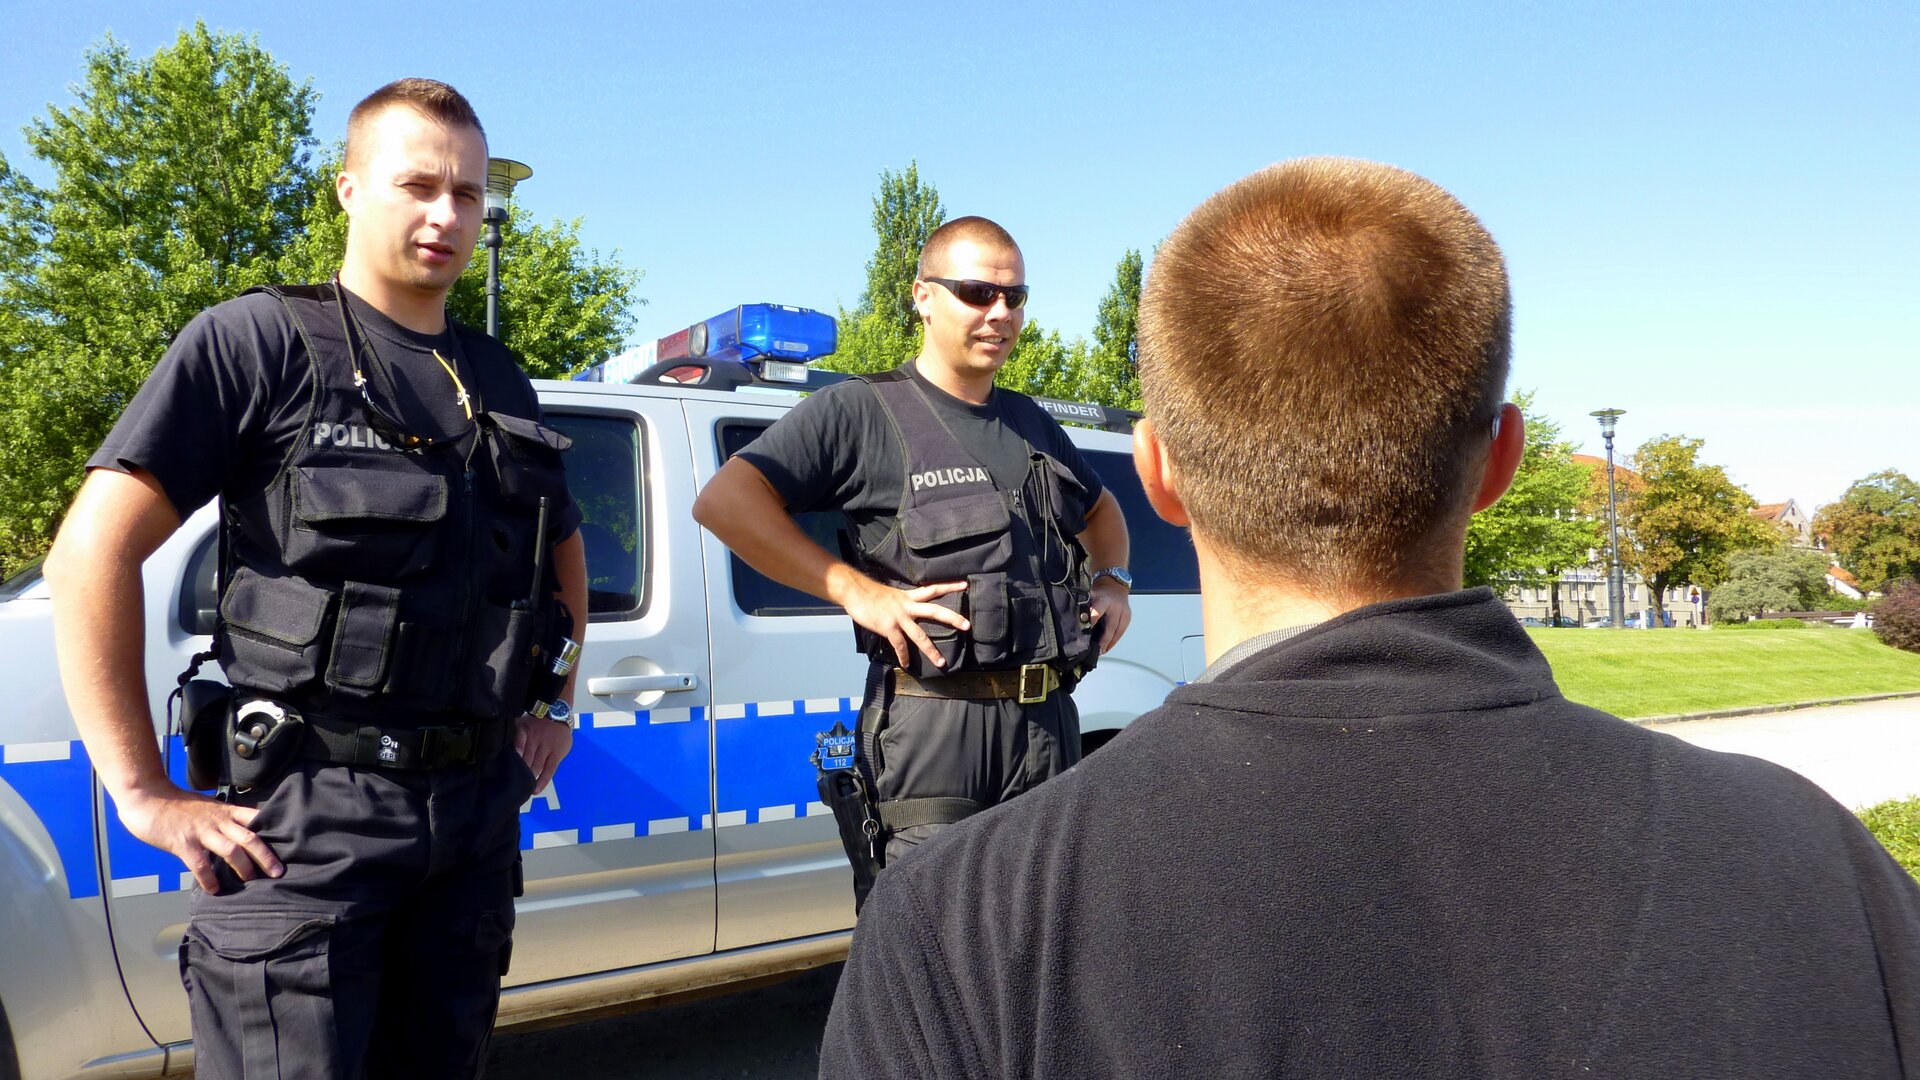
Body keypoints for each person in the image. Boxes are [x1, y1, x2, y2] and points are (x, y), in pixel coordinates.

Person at [819, 159, 1920, 1078]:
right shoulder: (1816, 868)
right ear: (1500, 461)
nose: (994, 313)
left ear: (1158, 473)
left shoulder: (963, 928)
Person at [45, 78, 587, 1077]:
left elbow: (560, 543)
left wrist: (556, 701)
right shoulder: (257, 343)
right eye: (417, 184)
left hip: (467, 821)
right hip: (303, 823)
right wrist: (141, 792)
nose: (447, 214)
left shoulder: (497, 376)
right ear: (347, 189)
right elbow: (90, 551)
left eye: (468, 193)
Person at [692, 216, 1132, 907]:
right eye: (977, 292)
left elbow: (1104, 514)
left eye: (1015, 297)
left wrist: (1113, 581)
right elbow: (725, 501)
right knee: (928, 951)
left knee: (1044, 942)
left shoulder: (1032, 422)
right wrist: (853, 589)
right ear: (923, 295)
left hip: (1047, 724)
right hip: (935, 729)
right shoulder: (860, 412)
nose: (1000, 313)